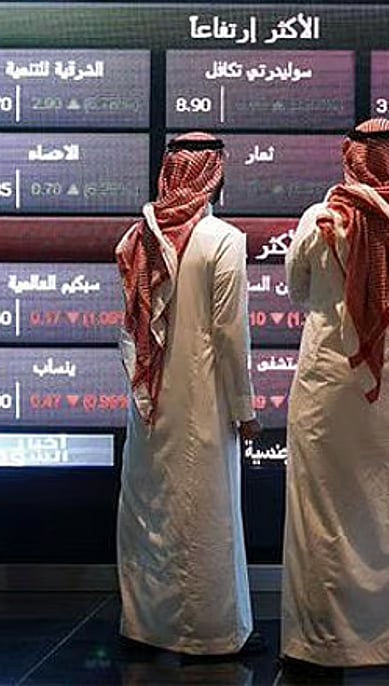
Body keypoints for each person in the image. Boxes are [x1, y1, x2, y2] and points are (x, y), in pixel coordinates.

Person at [281, 118, 389, 678]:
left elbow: (298, 290)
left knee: (326, 517)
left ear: (350, 158)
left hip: (331, 390)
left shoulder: (318, 220)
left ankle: (324, 647)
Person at [115, 131, 262, 657]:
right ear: (214, 176)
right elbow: (229, 335)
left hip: (148, 401)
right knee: (204, 512)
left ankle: (145, 627)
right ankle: (212, 633)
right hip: (203, 399)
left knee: (151, 510)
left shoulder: (139, 235)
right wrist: (245, 410)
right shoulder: (225, 240)